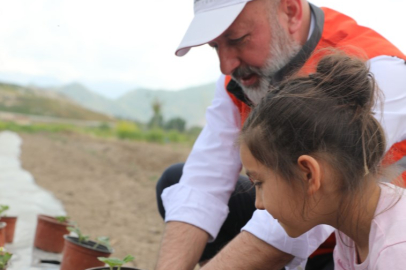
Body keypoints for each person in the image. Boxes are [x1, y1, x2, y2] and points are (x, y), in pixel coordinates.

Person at [155, 0, 406, 269]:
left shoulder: (378, 69)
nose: (225, 65)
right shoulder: (240, 76)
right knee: (176, 180)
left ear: (290, 11)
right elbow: (202, 182)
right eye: (215, 46)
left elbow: (304, 203)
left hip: (358, 236)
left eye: (238, 39)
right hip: (327, 230)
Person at [239, 52, 406, 270]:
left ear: (309, 174)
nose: (258, 204)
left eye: (259, 183)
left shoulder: (396, 250)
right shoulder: (353, 230)